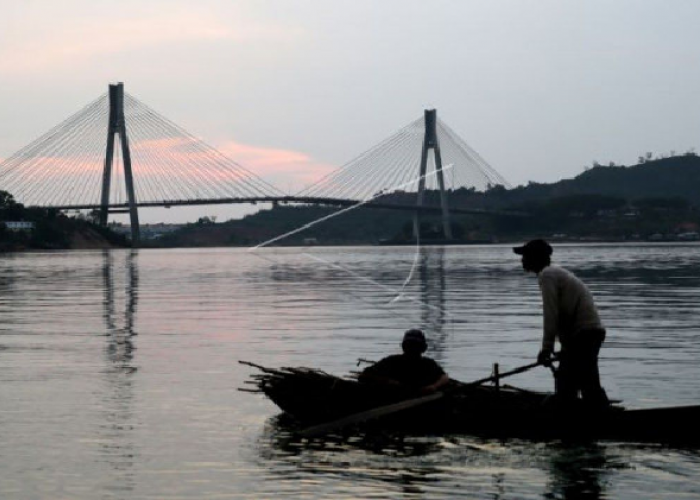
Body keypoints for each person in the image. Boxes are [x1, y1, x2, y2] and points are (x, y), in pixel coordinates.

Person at [513, 239, 609, 408]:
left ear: (535, 258)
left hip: (584, 334)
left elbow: (551, 314)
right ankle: (592, 418)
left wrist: (547, 348)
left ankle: (600, 421)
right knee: (576, 382)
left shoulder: (547, 275)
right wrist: (564, 348)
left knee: (579, 384)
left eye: (525, 256)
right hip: (586, 334)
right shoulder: (554, 274)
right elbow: (562, 315)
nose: (522, 260)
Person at [359, 329, 450, 395]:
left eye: (415, 346)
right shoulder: (392, 361)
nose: (412, 349)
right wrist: (388, 382)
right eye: (410, 345)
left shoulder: (428, 364)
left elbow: (444, 377)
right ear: (404, 347)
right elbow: (365, 375)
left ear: (422, 348)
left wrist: (434, 386)